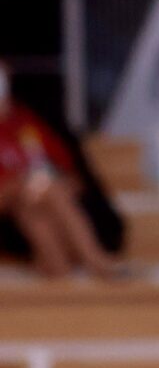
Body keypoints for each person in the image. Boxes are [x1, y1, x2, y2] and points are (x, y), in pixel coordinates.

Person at [0, 62, 122, 279]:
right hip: (13, 196)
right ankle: (95, 261)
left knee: (36, 209)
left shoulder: (24, 121)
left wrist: (41, 186)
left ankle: (57, 268)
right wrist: (24, 184)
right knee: (45, 194)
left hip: (38, 198)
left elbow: (67, 169)